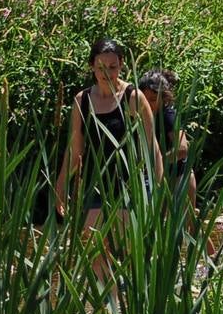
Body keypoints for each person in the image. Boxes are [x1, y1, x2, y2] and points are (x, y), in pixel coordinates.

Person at [54, 39, 166, 288]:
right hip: (95, 186)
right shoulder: (81, 101)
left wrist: (158, 191)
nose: (107, 73)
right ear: (92, 67)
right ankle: (112, 310)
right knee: (95, 254)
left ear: (122, 66)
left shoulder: (133, 98)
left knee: (126, 254)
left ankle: (133, 309)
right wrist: (60, 188)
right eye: (101, 67)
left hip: (130, 186)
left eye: (113, 67)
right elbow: (74, 150)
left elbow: (152, 148)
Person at [137, 69, 214, 257]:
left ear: (165, 98)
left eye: (154, 100)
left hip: (179, 177)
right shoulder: (137, 115)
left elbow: (183, 149)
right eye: (145, 99)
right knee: (155, 223)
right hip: (157, 179)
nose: (149, 104)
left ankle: (213, 260)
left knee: (189, 223)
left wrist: (157, 160)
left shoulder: (167, 115)